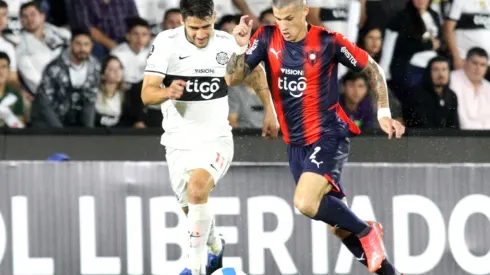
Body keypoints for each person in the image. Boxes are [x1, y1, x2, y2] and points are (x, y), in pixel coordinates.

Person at [225, 0, 405, 274]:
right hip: (295, 145)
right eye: (278, 18)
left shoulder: (327, 41)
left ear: (304, 11)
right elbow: (233, 78)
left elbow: (372, 68)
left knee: (305, 202)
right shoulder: (265, 37)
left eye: (288, 18)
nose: (283, 26)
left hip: (328, 135)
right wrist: (239, 46)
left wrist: (383, 112)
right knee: (338, 227)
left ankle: (368, 230)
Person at [140, 0, 277, 274]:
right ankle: (216, 245)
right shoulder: (166, 43)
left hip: (216, 139)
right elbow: (146, 93)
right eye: (194, 28)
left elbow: (244, 76)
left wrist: (269, 110)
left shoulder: (227, 42)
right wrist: (167, 92)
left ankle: (194, 268)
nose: (201, 34)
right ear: (182, 21)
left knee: (198, 189)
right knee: (193, 211)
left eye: (206, 26)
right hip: (177, 142)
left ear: (214, 17)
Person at [403, 56, 459, 129]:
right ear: (429, 72)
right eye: (436, 70)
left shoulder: (452, 96)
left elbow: (454, 126)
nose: (441, 74)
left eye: (444, 69)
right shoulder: (416, 94)